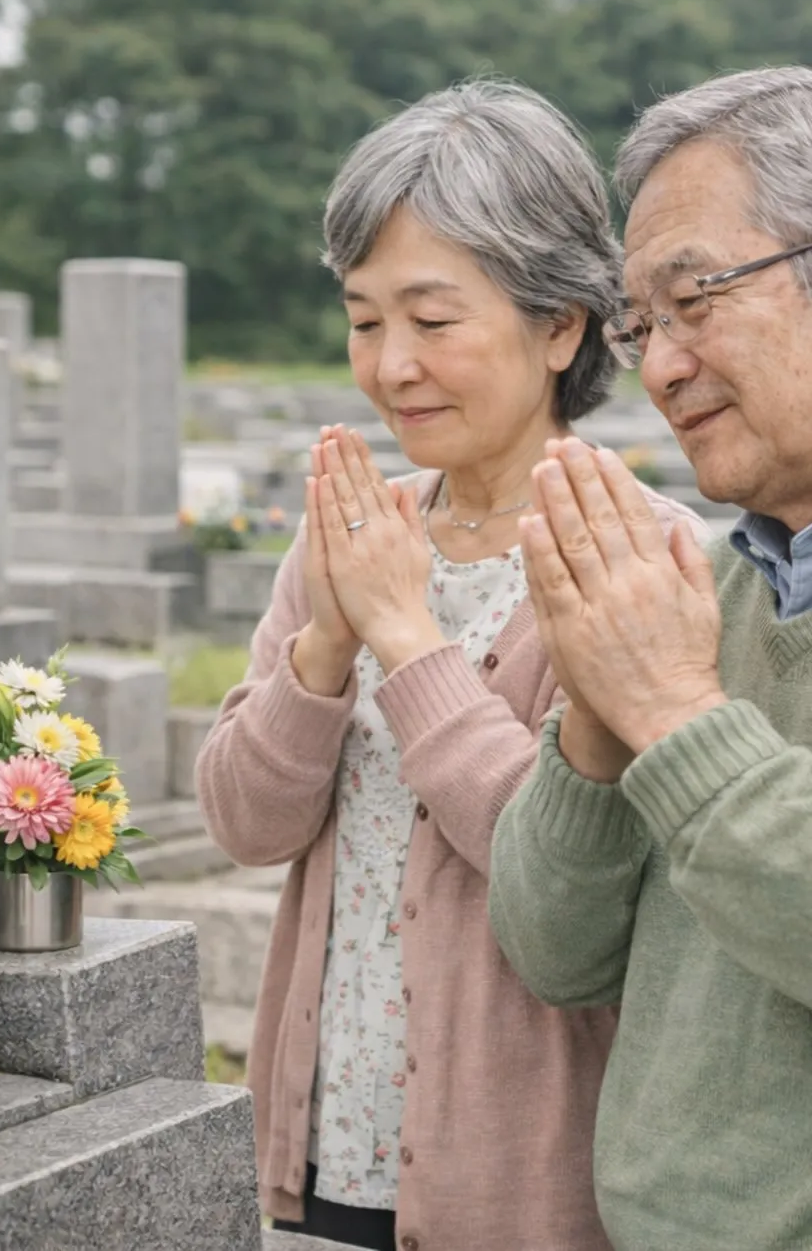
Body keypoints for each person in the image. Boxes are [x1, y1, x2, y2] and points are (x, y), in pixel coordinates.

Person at [194, 79, 702, 1251]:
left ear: (560, 326)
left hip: (523, 1184)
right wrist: (327, 641)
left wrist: (404, 639)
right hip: (327, 1145)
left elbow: (566, 878)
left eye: (432, 321)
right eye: (364, 321)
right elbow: (245, 824)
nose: (391, 367)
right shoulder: (353, 532)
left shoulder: (639, 560)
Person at [489, 65, 812, 1251]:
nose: (660, 368)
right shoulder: (701, 588)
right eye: (642, 324)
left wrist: (673, 711)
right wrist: (594, 708)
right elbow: (554, 953)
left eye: (696, 299)